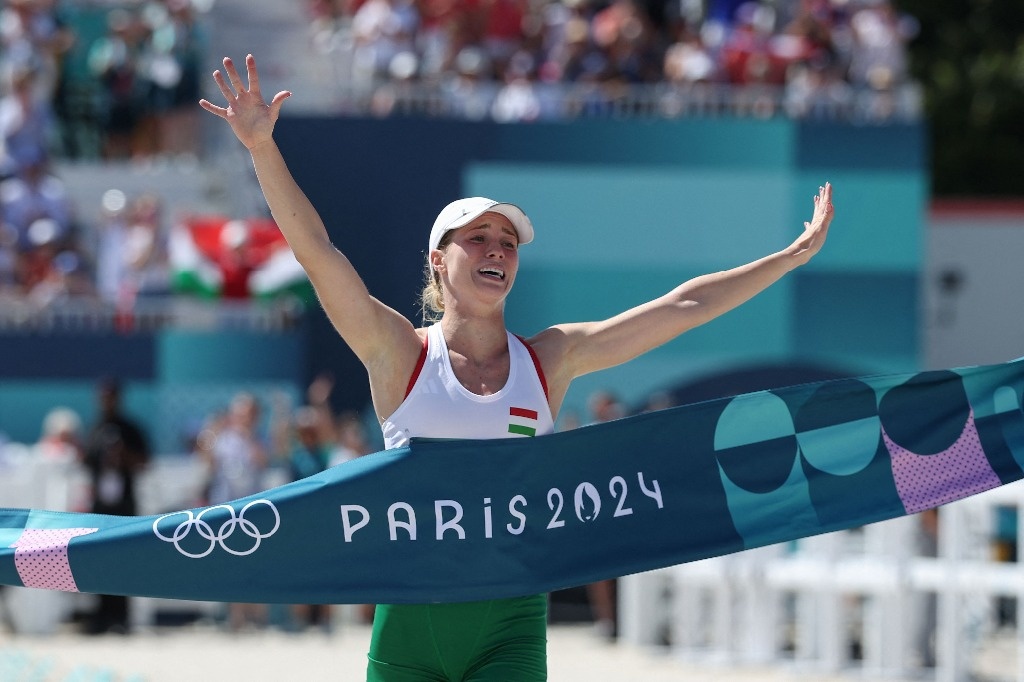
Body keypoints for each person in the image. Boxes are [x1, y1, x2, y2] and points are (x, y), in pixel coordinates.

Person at [200, 53, 834, 681]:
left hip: (513, 622)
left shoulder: (551, 359)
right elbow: (317, 252)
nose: (497, 250)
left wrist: (787, 258)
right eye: (477, 238)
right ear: (437, 261)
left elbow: (684, 306)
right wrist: (260, 146)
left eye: (507, 243)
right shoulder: (401, 352)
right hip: (411, 622)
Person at [81, 377, 150, 634]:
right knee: (97, 559)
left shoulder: (131, 429)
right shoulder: (96, 428)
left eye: (110, 396)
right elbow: (86, 462)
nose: (106, 401)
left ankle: (121, 617)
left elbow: (145, 462)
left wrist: (123, 456)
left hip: (124, 505)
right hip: (100, 505)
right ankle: (101, 615)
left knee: (123, 560)